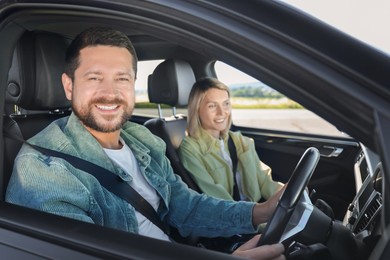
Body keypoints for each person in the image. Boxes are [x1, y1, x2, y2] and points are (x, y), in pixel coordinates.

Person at [5, 27, 285, 259]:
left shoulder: (142, 139)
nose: (110, 93)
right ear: (69, 86)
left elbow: (183, 205)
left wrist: (260, 211)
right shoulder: (44, 169)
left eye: (122, 79)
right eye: (94, 78)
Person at [178, 78, 283, 202]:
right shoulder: (191, 149)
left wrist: (288, 192)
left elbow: (265, 181)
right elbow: (219, 201)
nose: (222, 112)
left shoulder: (240, 141)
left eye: (226, 104)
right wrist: (260, 214)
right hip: (242, 217)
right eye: (212, 106)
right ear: (197, 109)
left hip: (260, 211)